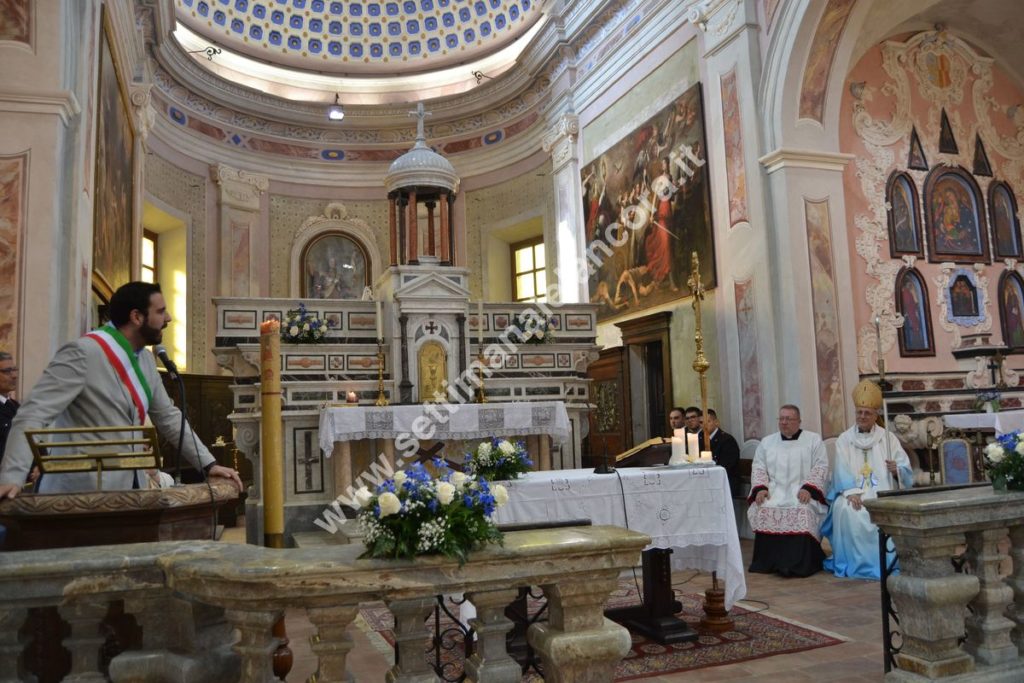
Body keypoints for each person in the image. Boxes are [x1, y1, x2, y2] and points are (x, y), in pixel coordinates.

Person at [0, 282, 242, 499]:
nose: (168, 318)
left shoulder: (146, 361)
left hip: (129, 488)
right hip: (77, 492)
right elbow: (33, 414)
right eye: (160, 311)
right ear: (136, 316)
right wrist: (12, 477)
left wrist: (208, 464)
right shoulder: (82, 353)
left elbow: (169, 417)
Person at [822, 380, 913, 579]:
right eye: (859, 412)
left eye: (867, 413)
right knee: (845, 509)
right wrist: (852, 492)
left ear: (875, 415)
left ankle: (885, 563)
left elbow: (906, 470)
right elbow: (841, 469)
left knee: (886, 511)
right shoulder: (845, 439)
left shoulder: (887, 439)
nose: (862, 416)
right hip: (854, 492)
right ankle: (852, 562)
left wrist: (897, 469)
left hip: (882, 491)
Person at [747, 405, 830, 577]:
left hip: (801, 491)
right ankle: (767, 563)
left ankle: (798, 564)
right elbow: (759, 467)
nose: (784, 423)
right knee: (764, 508)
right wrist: (761, 488)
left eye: (788, 419)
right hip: (774, 491)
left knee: (803, 510)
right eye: (781, 419)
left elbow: (821, 466)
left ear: (798, 421)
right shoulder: (767, 442)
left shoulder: (813, 440)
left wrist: (809, 488)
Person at [706, 409, 741, 498]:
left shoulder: (727, 440)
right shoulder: (700, 439)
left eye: (708, 421)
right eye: (701, 422)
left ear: (716, 422)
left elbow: (727, 466)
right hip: (707, 481)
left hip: (725, 482)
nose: (704, 425)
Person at [0, 352, 18, 469]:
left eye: (14, 370)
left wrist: (38, 465)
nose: (14, 375)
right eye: (7, 371)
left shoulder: (16, 406)